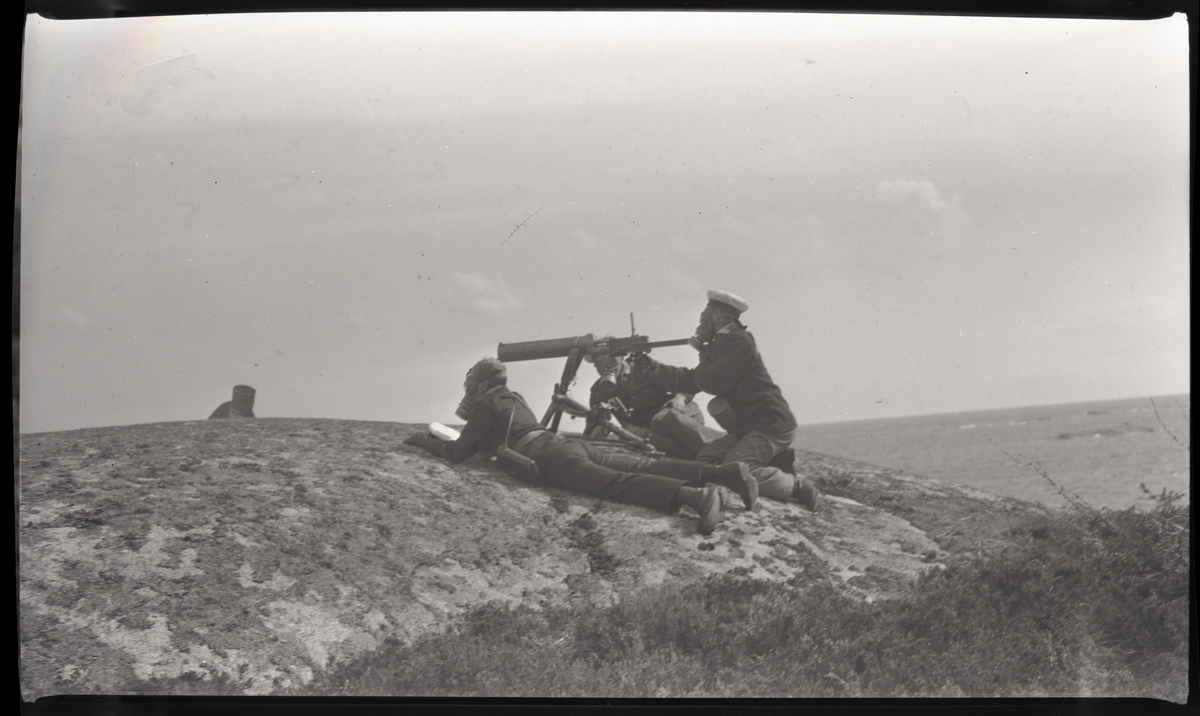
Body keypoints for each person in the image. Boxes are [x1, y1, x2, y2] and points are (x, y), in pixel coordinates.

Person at [402, 358, 759, 535]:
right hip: (561, 444)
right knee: (641, 466)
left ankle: (697, 497)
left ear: (478, 385)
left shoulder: (485, 405)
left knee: (618, 484)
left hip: (550, 457)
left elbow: (456, 452)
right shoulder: (514, 398)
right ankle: (723, 473)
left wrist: (422, 439)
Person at [630, 290, 819, 511]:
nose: (699, 324)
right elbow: (697, 378)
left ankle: (799, 487)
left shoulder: (739, 342)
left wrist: (695, 350)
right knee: (705, 461)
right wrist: (652, 369)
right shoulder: (723, 342)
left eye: (703, 318)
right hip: (749, 427)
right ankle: (772, 461)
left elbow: (708, 381)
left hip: (770, 426)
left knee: (733, 468)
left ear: (717, 317)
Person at [585, 350, 710, 460]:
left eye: (610, 361)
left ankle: (717, 446)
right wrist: (597, 427)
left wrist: (680, 397)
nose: (605, 368)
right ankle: (705, 460)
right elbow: (593, 421)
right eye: (598, 364)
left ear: (621, 359)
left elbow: (687, 380)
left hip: (677, 416)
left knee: (660, 421)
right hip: (649, 434)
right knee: (630, 437)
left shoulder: (642, 369)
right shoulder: (599, 390)